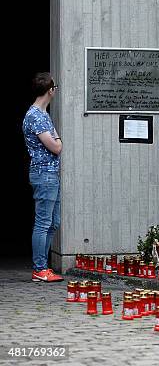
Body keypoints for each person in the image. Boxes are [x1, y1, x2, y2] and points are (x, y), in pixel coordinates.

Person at [23, 72, 64, 282]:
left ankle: (43, 267)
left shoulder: (43, 114)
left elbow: (56, 143)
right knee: (43, 222)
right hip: (44, 174)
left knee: (53, 222)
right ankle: (40, 268)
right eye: (55, 87)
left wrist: (56, 139)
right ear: (50, 90)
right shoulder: (35, 116)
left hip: (50, 174)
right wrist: (57, 140)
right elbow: (56, 147)